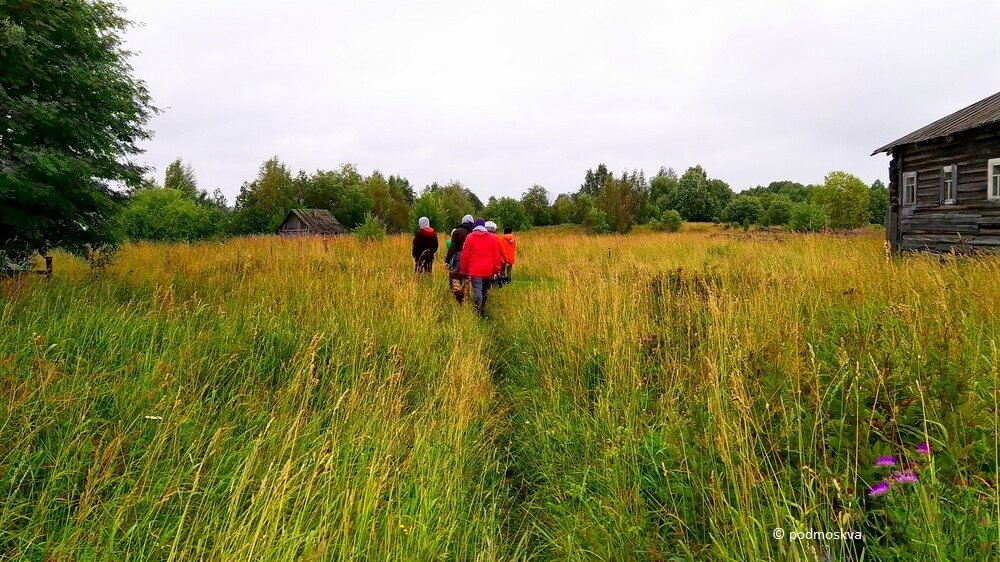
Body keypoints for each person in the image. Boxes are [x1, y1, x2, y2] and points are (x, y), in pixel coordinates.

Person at [460, 218, 502, 316]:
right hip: (488, 270)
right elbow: (496, 256)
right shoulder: (491, 238)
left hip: (475, 270)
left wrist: (463, 270)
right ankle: (482, 306)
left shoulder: (470, 237)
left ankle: (478, 310)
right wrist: (497, 270)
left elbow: (465, 255)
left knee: (477, 290)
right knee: (484, 289)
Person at [445, 215, 475, 303]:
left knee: (455, 275)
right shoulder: (473, 233)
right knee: (467, 277)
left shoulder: (457, 232)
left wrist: (447, 260)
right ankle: (466, 299)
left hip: (458, 256)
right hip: (470, 257)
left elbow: (452, 247)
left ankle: (457, 288)